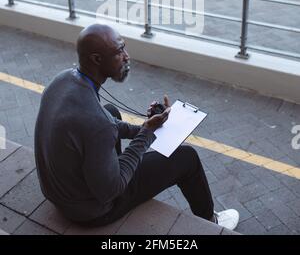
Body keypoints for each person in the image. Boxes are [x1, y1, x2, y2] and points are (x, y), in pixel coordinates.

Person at [34, 24, 239, 231]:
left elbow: (101, 123)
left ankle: (111, 165)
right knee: (187, 158)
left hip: (59, 193)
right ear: (96, 59)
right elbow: (111, 190)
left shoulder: (62, 80)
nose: (126, 56)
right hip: (91, 210)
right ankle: (212, 223)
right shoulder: (98, 125)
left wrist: (144, 128)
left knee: (111, 110)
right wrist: (146, 134)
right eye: (119, 51)